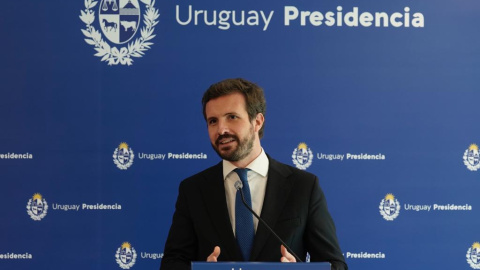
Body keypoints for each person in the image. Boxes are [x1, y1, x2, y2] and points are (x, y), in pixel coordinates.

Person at [160, 78, 347, 270]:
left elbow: (336, 265)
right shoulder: (193, 189)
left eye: (232, 117)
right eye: (213, 121)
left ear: (257, 121)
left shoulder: (304, 186)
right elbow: (172, 263)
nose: (221, 129)